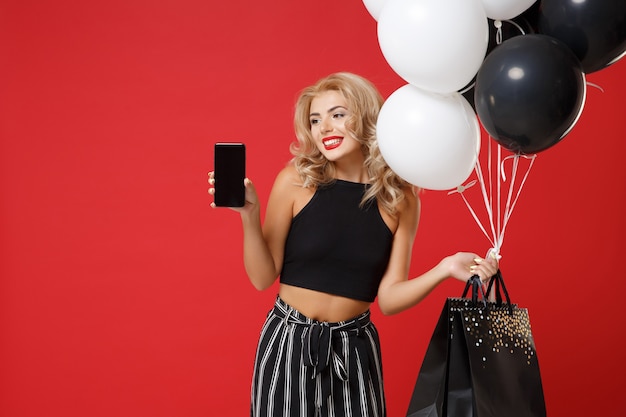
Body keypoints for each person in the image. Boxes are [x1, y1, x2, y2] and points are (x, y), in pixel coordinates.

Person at [208, 72, 498, 417]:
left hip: (354, 348)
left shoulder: (400, 198)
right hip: (287, 342)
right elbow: (261, 278)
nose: (324, 128)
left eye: (337, 114)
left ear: (365, 117)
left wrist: (443, 269)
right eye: (315, 120)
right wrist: (248, 215)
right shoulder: (295, 181)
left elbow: (388, 299)